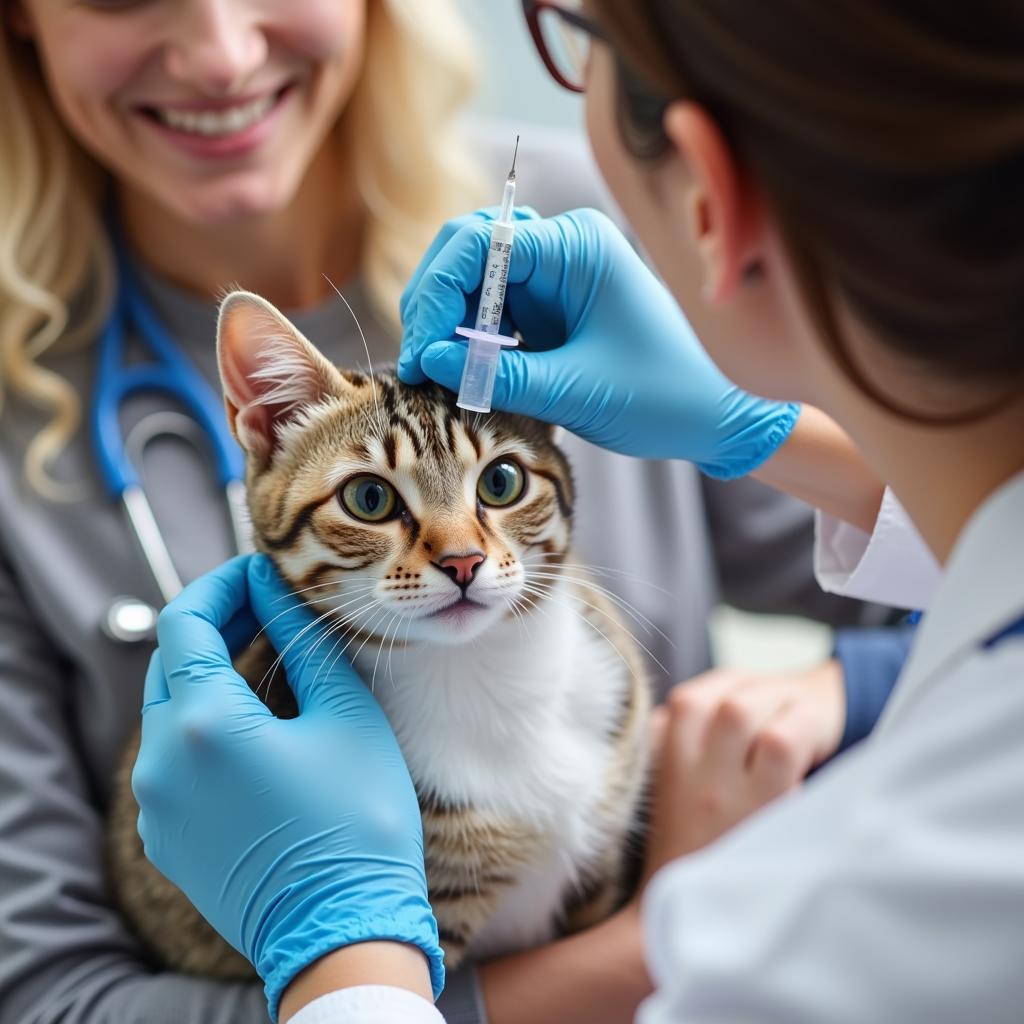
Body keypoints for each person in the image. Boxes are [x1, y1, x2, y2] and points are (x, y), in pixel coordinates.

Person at [0, 3, 896, 1024]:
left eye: (499, 490)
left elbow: (974, 581)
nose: (221, 53)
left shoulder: (575, 239)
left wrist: (825, 673)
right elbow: (51, 998)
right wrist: (653, 946)